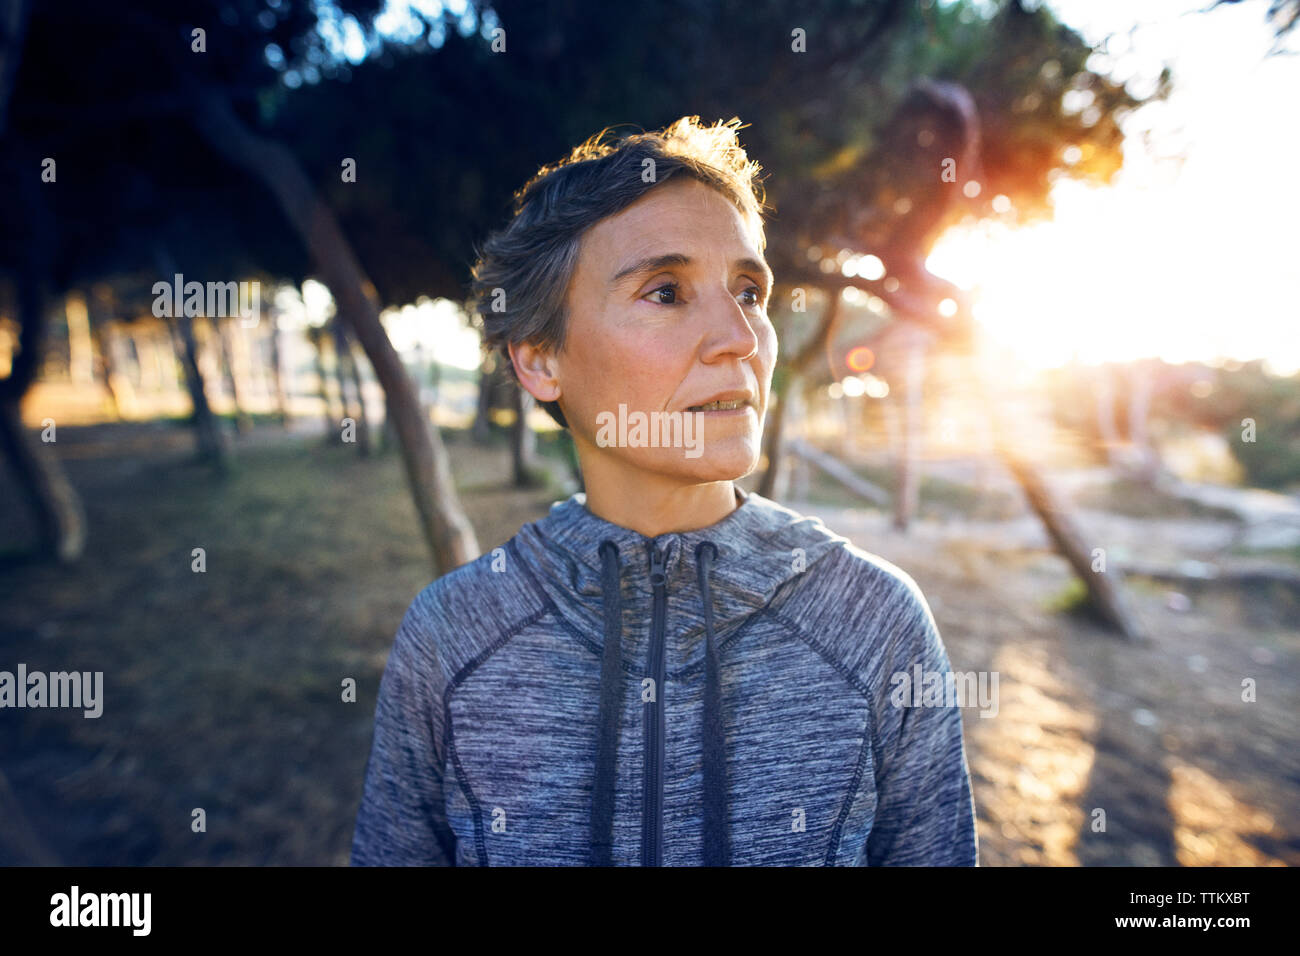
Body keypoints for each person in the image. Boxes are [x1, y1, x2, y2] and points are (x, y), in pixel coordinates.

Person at [350, 116, 978, 866]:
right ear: (541, 359)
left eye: (749, 291)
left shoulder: (876, 625)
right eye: (667, 291)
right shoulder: (451, 638)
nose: (740, 337)